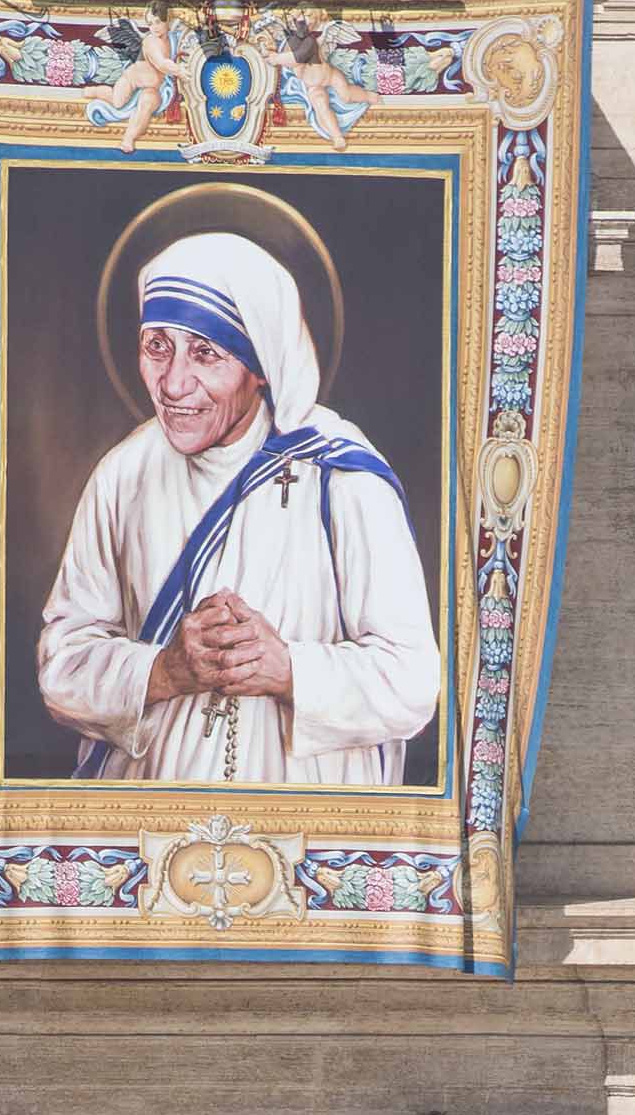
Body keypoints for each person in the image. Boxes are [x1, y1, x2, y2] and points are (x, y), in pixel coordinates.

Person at [38, 231, 440, 790]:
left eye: (205, 352)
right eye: (158, 345)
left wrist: (289, 669)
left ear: (260, 365)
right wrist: (164, 671)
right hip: (155, 820)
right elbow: (62, 669)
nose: (173, 383)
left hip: (309, 825)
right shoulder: (123, 477)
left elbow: (413, 683)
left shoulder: (341, 476)